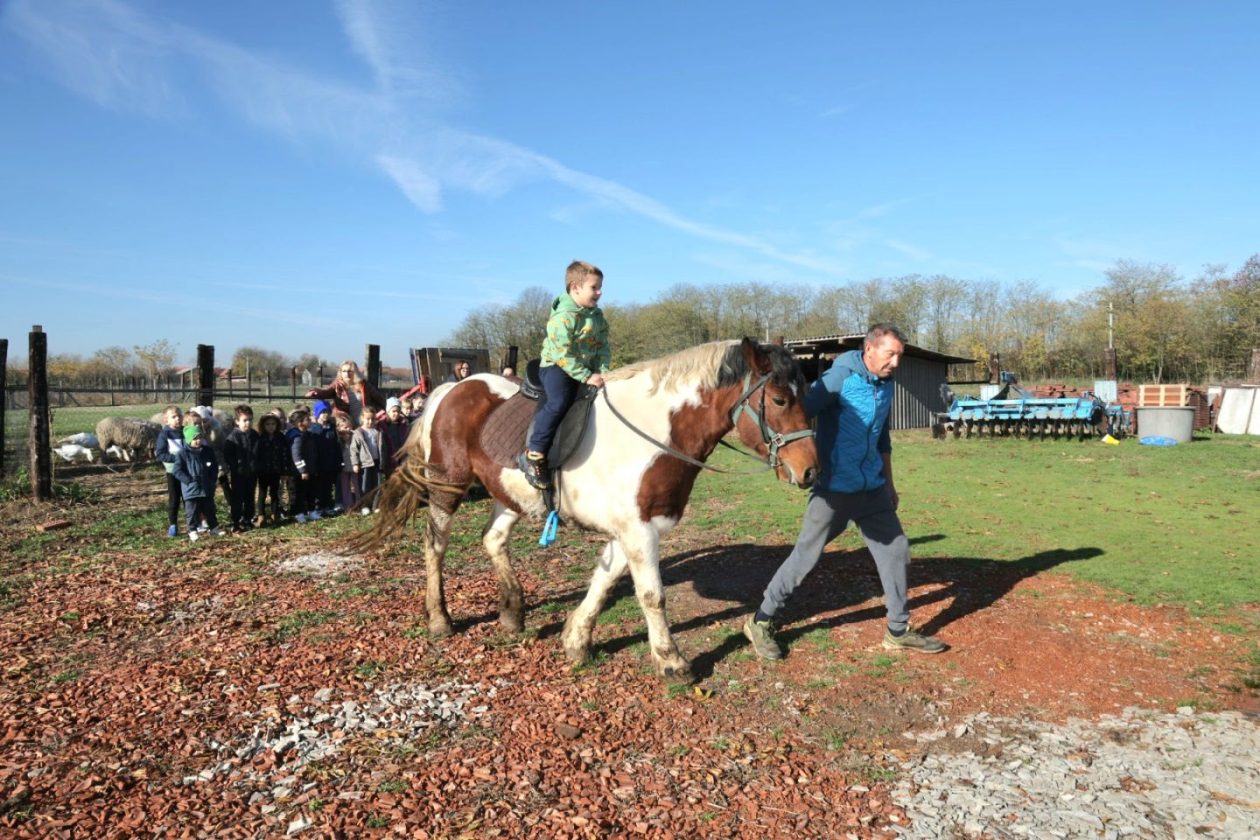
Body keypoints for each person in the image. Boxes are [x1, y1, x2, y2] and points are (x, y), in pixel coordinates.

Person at [742, 324, 946, 660]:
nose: (895, 362)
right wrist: (791, 457)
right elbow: (799, 415)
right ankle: (761, 620)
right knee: (805, 556)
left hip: (872, 488)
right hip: (835, 490)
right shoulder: (839, 379)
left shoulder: (887, 385)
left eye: (899, 356)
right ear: (869, 349)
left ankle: (898, 630)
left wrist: (890, 483)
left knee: (896, 550)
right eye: (889, 354)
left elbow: (882, 438)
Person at [518, 259, 610, 489]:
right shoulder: (563, 317)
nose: (599, 292)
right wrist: (586, 376)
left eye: (600, 287)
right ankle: (535, 453)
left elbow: (603, 346)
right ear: (575, 287)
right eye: (594, 287)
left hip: (585, 368)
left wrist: (604, 371)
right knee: (559, 402)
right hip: (557, 366)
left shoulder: (596, 316)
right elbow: (562, 353)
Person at [172, 424, 223, 541]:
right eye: (195, 438)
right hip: (191, 489)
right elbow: (177, 470)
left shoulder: (207, 451)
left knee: (210, 509)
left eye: (200, 437)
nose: (198, 440)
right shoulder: (182, 453)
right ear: (189, 439)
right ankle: (192, 530)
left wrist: (212, 479)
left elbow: (214, 466)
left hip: (206, 487)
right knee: (192, 512)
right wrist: (188, 480)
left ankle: (214, 528)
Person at [305, 361, 387, 427]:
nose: (347, 373)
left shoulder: (364, 385)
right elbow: (326, 391)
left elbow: (379, 398)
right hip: (345, 421)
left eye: (349, 371)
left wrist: (388, 409)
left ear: (355, 372)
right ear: (340, 373)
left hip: (363, 421)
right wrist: (315, 392)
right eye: (344, 371)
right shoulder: (337, 385)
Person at [222, 404, 260, 533]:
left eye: (250, 420)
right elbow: (228, 455)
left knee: (250, 497)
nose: (248, 423)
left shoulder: (255, 435)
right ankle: (236, 521)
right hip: (238, 473)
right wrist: (236, 466)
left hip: (252, 472)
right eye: (244, 420)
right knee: (237, 498)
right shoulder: (232, 437)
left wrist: (256, 465)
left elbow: (259, 452)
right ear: (237, 421)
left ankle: (248, 519)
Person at [154, 404, 186, 537]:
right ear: (166, 420)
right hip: (173, 471)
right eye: (174, 417)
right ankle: (173, 525)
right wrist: (177, 458)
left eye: (179, 416)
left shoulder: (186, 431)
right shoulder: (164, 435)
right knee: (174, 499)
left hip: (187, 471)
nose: (177, 419)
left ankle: (194, 523)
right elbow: (160, 453)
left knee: (188, 498)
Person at [255, 412, 289, 527]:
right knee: (262, 493)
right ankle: (261, 515)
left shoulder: (280, 437)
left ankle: (275, 514)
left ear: (277, 425)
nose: (271, 426)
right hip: (263, 471)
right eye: (268, 424)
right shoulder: (260, 438)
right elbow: (256, 455)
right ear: (263, 426)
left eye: (273, 424)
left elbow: (285, 455)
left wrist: (284, 471)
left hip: (276, 470)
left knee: (274, 493)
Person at [287, 407, 319, 523]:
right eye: (307, 420)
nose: (310, 421)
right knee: (299, 493)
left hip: (310, 470)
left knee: (310, 491)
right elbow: (297, 455)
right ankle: (298, 513)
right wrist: (303, 470)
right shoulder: (297, 437)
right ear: (300, 423)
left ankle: (311, 511)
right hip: (299, 473)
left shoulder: (307, 434)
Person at [312, 400, 342, 514]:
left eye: (327, 412)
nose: (325, 415)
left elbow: (337, 444)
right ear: (317, 413)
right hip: (319, 463)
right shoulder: (314, 428)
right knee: (319, 486)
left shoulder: (332, 428)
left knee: (328, 486)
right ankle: (318, 507)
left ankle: (328, 506)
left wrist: (339, 461)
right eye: (322, 412)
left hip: (331, 463)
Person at [351, 409, 382, 514]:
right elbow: (354, 449)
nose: (370, 421)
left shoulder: (377, 431)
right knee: (365, 486)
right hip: (365, 464)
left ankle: (376, 505)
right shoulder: (358, 433)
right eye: (368, 419)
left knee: (378, 485)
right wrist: (355, 463)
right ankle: (364, 506)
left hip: (377, 462)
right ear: (362, 418)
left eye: (373, 419)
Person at [379, 396, 410, 479]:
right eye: (394, 411)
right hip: (389, 458)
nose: (396, 413)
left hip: (401, 457)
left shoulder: (403, 424)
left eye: (398, 411)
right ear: (388, 411)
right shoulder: (382, 425)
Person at [334, 414, 358, 512]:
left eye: (350, 426)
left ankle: (358, 503)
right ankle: (347, 505)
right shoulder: (337, 439)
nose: (348, 429)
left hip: (354, 465)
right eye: (345, 427)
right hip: (343, 466)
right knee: (345, 486)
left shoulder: (355, 436)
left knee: (356, 485)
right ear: (339, 428)